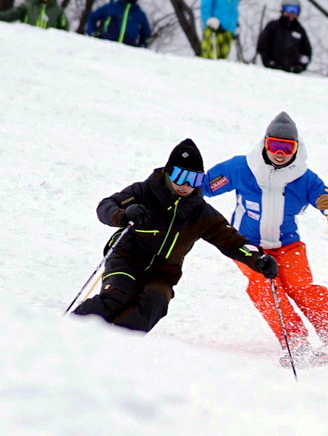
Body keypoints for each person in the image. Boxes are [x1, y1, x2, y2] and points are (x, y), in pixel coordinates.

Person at [202, 112, 328, 364]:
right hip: (246, 245)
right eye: (274, 145)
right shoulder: (241, 168)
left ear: (296, 149)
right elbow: (203, 186)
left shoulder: (304, 178)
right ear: (265, 143)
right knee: (263, 285)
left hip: (287, 244)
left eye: (287, 148)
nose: (280, 153)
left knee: (302, 287)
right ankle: (295, 341)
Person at [72, 139, 277, 333]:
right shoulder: (144, 192)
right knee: (116, 298)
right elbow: (106, 206)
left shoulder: (201, 213)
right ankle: (67, 330)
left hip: (163, 273)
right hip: (127, 258)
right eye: (179, 176)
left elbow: (232, 241)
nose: (185, 185)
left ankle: (112, 345)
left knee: (155, 303)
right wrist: (123, 215)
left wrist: (257, 259)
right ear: (169, 172)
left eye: (193, 180)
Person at [83, 0, 151, 47]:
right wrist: (92, 32)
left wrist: (142, 46)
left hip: (127, 51)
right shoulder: (111, 7)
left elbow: (146, 35)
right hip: (106, 46)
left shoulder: (140, 14)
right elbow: (92, 17)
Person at [256, 0, 311, 72]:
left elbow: (306, 52)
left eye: (295, 10)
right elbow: (262, 45)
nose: (292, 13)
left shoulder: (300, 31)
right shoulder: (273, 26)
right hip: (272, 70)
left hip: (292, 73)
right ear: (283, 10)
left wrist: (300, 67)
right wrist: (268, 62)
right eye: (289, 9)